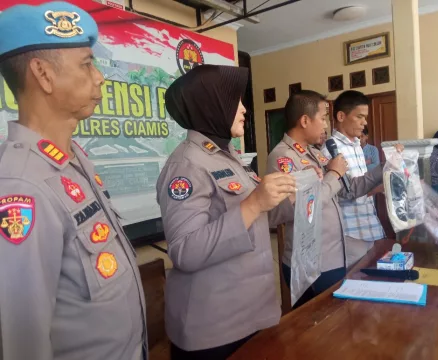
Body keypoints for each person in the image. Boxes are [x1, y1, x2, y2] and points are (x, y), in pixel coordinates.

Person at [0, 2, 147, 360]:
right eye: (86, 63)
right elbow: (24, 343)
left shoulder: (72, 158)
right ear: (43, 74)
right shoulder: (22, 186)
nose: (100, 77)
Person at [156, 64, 296, 359]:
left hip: (253, 312)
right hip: (215, 329)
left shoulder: (229, 157)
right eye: (236, 101)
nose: (244, 109)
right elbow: (185, 250)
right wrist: (254, 202)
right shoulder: (186, 165)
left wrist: (283, 199)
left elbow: (255, 220)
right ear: (211, 104)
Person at [266, 90, 388, 308]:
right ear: (305, 120)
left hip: (333, 256)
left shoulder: (315, 153)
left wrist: (384, 167)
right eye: (322, 118)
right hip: (311, 262)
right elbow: (298, 208)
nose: (325, 125)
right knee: (318, 326)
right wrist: (333, 174)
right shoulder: (284, 158)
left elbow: (347, 191)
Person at [322, 90, 389, 267]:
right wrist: (384, 166)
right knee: (354, 282)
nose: (364, 122)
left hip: (367, 226)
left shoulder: (356, 146)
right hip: (350, 232)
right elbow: (347, 191)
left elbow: (361, 189)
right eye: (359, 116)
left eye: (365, 117)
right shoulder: (332, 150)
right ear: (341, 116)